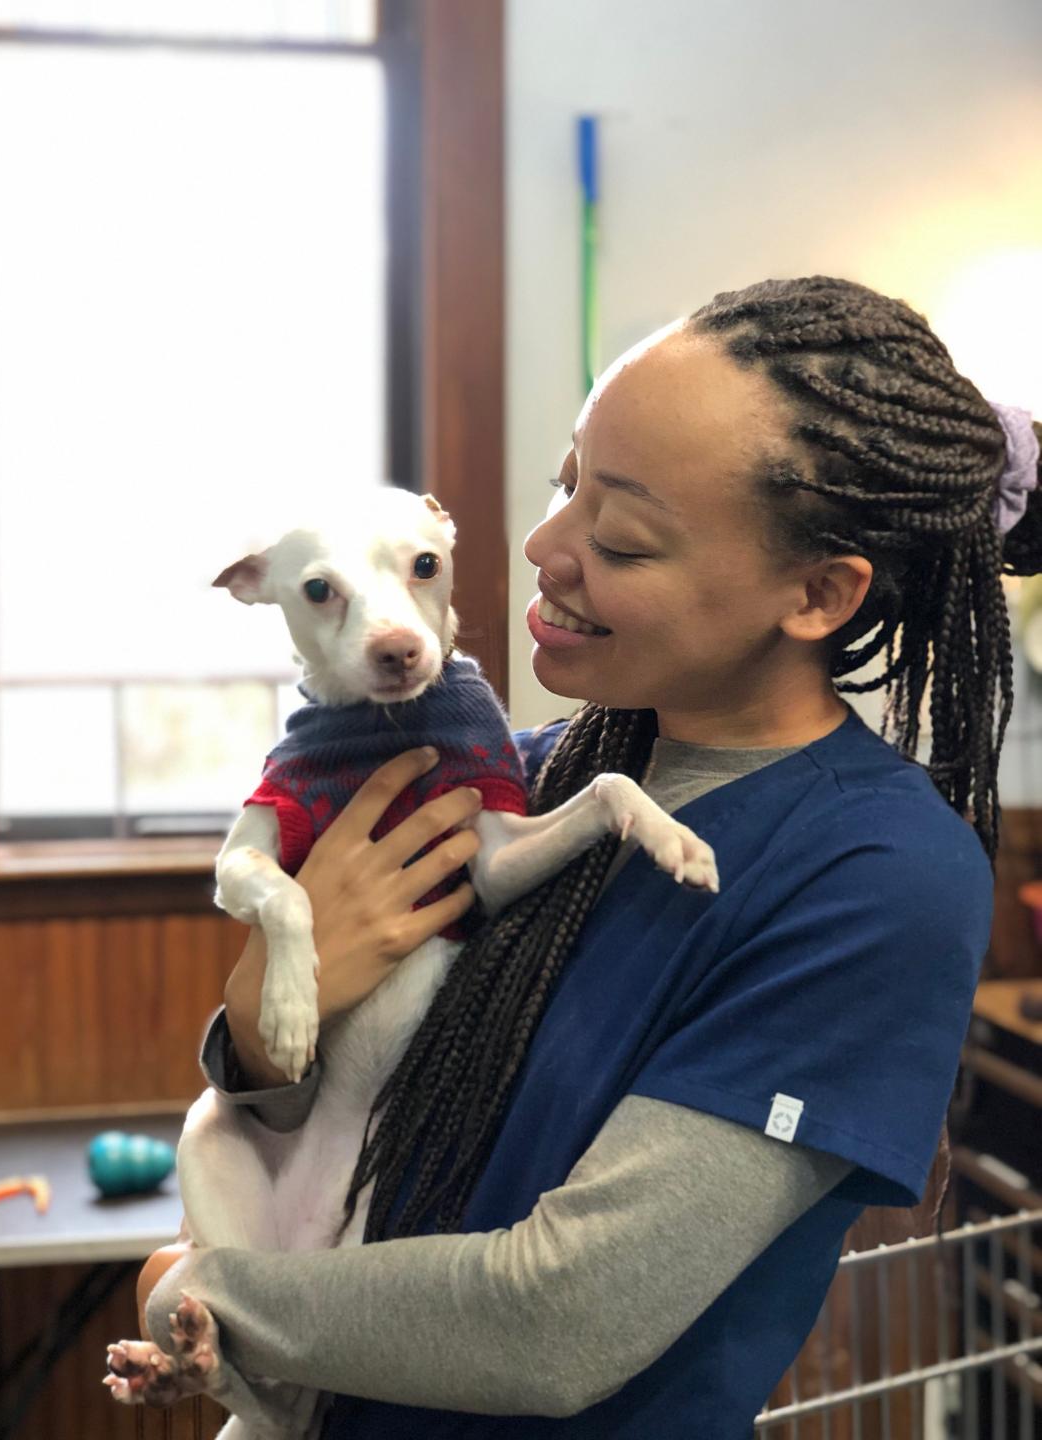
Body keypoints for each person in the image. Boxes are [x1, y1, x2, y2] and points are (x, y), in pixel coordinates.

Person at [133, 275, 1040, 1437]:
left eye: (619, 535)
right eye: (568, 484)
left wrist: (199, 1290)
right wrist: (257, 1027)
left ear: (817, 593)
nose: (545, 547)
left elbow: (561, 1317)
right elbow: (307, 1079)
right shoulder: (523, 773)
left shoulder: (880, 876)